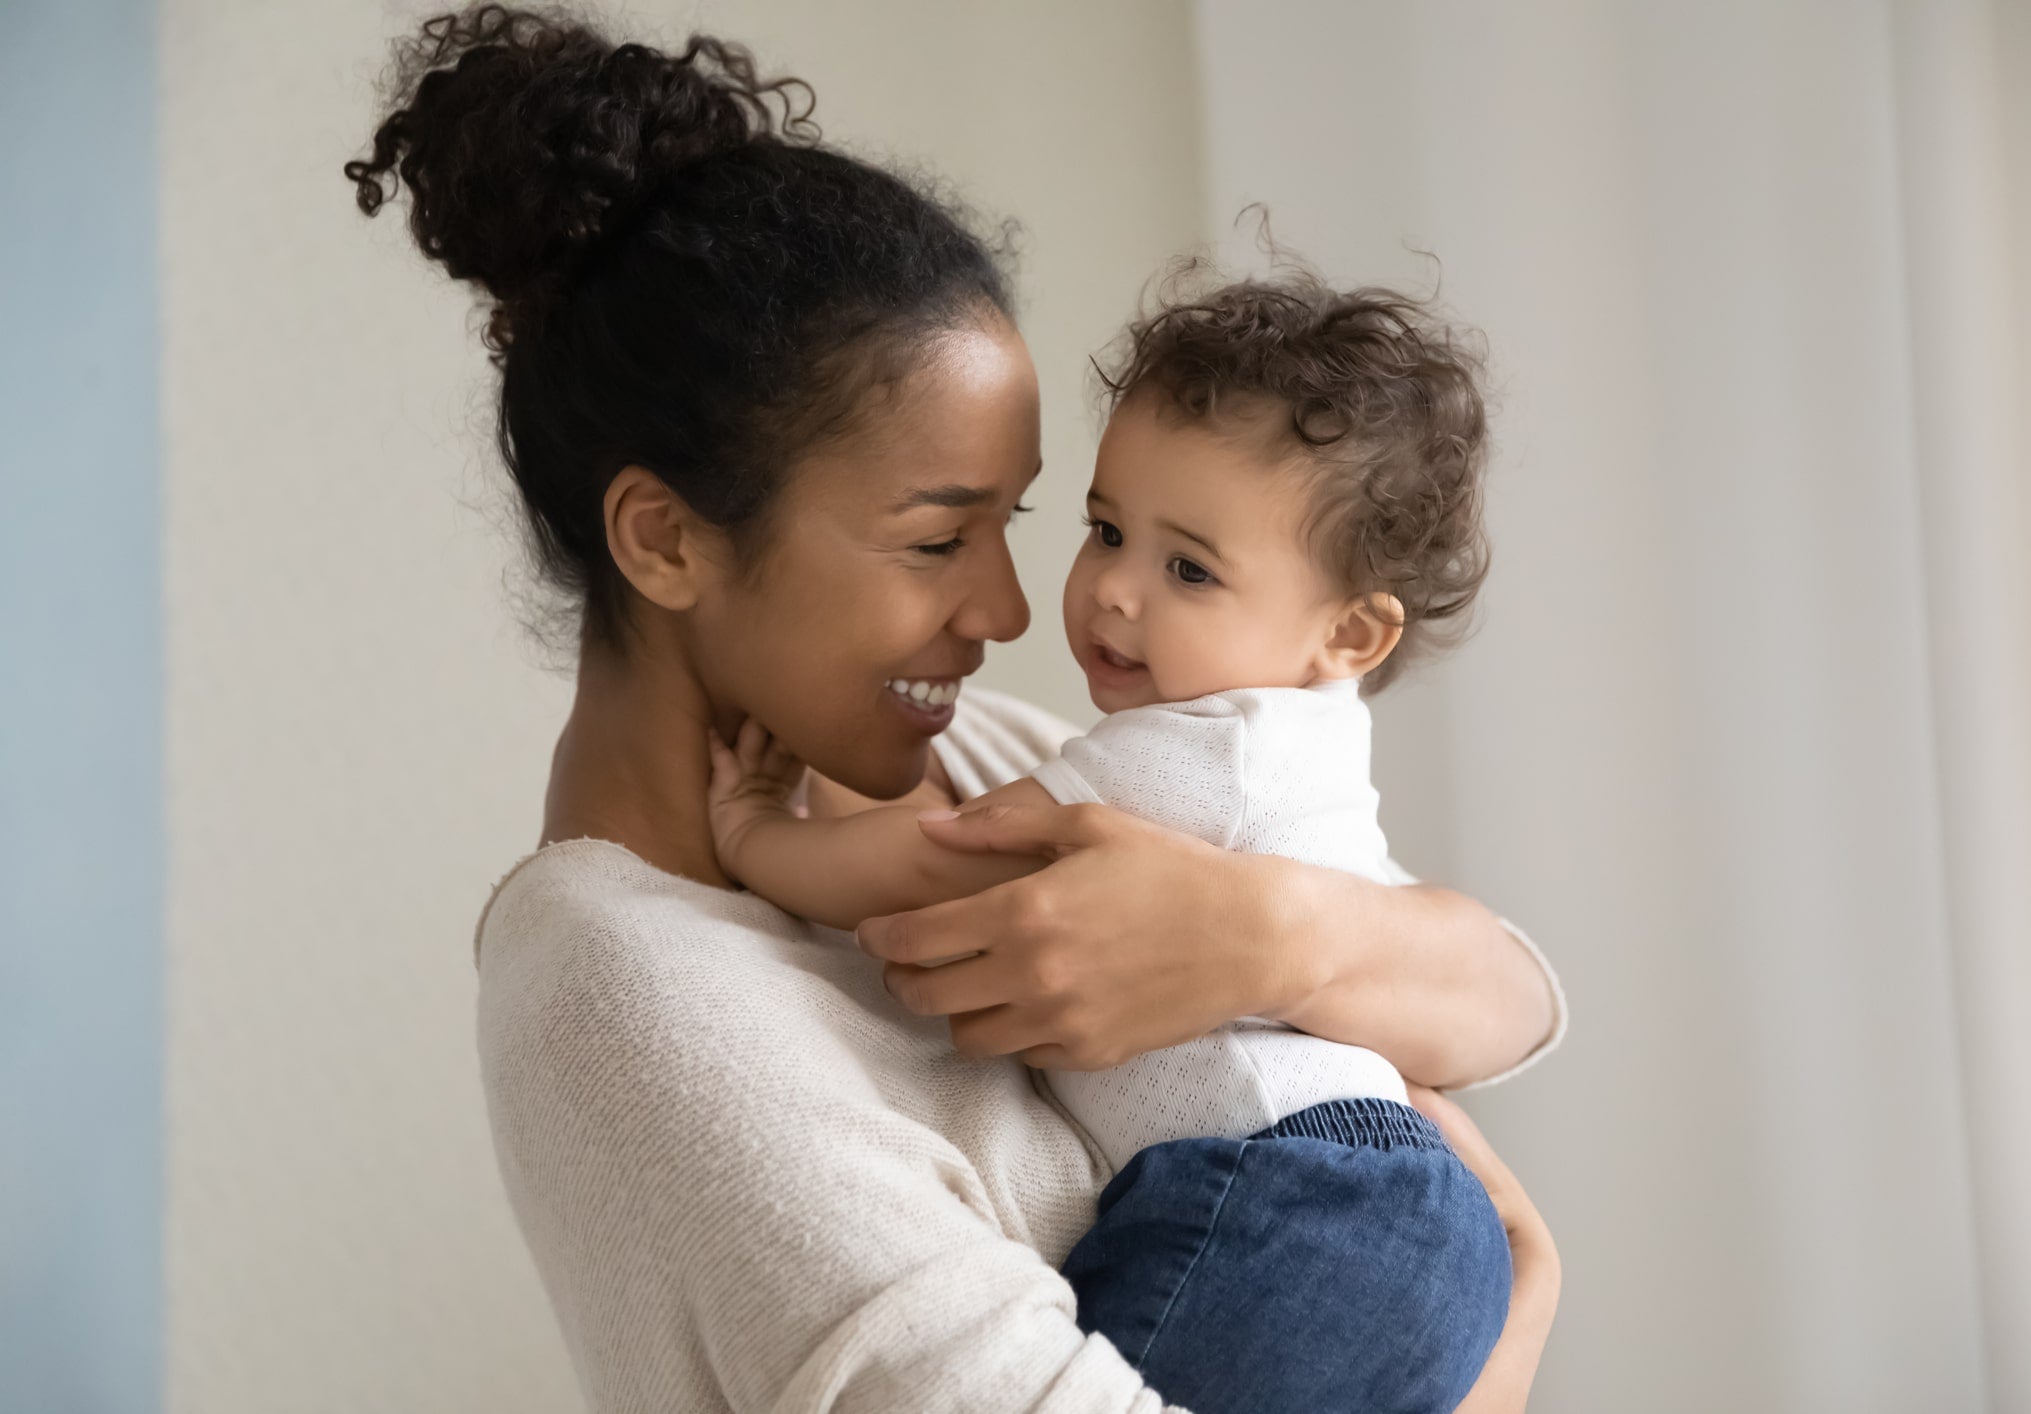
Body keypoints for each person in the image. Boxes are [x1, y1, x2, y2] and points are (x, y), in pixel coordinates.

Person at [345, 7, 1565, 1411]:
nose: (1007, 610)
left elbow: (1511, 998)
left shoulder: (995, 749)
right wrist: (1513, 1321)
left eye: (1019, 525)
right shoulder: (627, 994)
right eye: (935, 541)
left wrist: (1273, 930)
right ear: (667, 540)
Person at [705, 270, 1519, 1411]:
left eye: (1188, 568)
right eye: (1105, 530)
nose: (1113, 593)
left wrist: (751, 838)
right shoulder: (1302, 750)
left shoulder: (1179, 754)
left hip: (1283, 1195)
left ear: (1348, 630)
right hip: (1425, 1227)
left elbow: (929, 860)